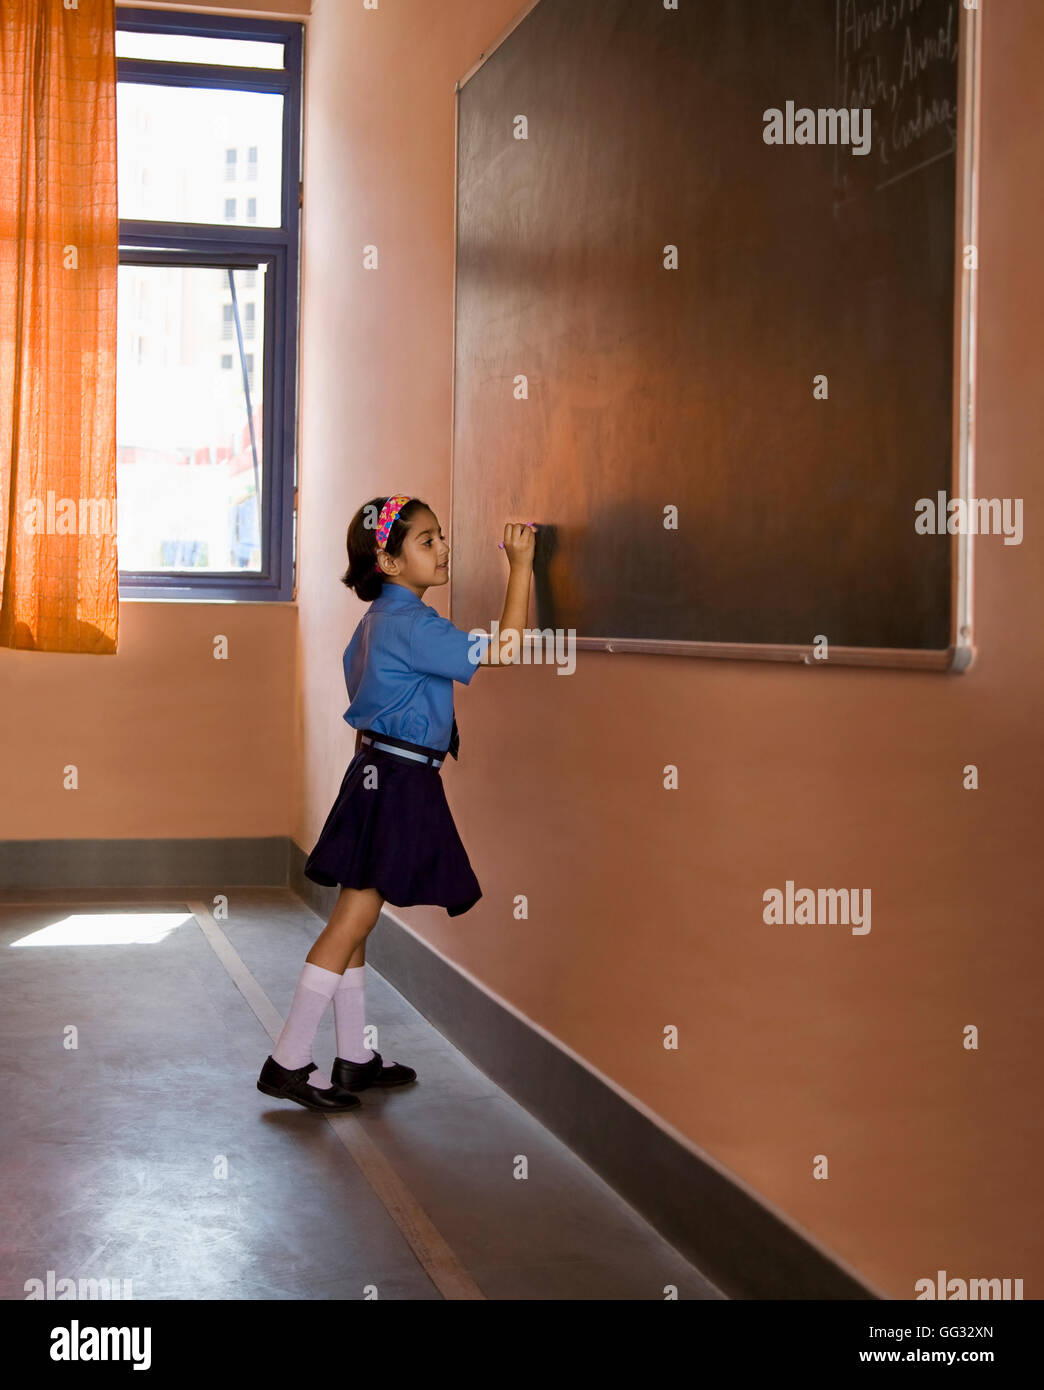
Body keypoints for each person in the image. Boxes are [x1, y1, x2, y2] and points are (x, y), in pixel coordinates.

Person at [257, 495, 537, 1112]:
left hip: (374, 772)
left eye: (441, 537)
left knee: (360, 916)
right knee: (352, 920)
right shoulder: (413, 624)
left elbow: (365, 708)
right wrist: (521, 566)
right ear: (387, 560)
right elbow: (508, 650)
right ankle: (288, 1061)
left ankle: (354, 1059)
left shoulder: (375, 623)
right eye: (427, 541)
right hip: (400, 781)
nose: (443, 550)